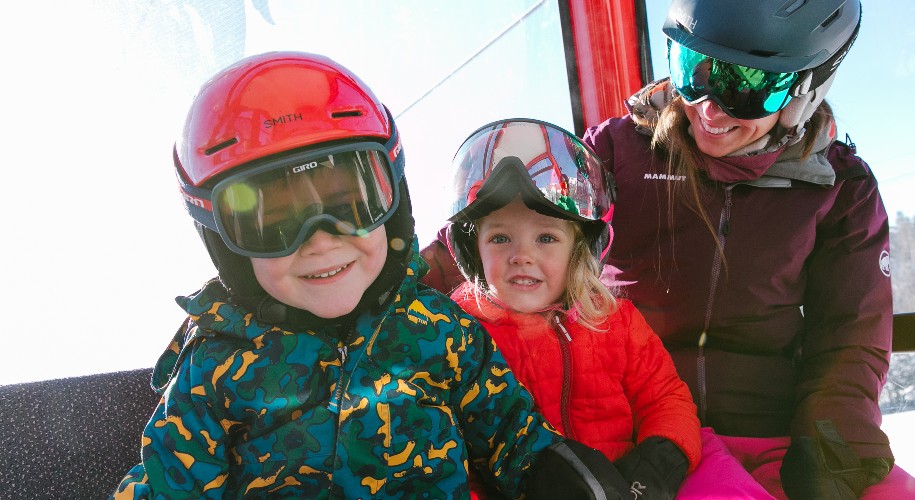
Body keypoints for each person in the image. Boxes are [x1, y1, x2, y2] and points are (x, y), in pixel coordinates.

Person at [420, 1, 915, 498]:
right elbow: (510, 218)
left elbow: (851, 335)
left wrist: (833, 443)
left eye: (747, 86)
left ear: (805, 89)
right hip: (636, 426)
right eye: (694, 68)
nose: (708, 106)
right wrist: (387, 283)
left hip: (772, 429)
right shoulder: (620, 150)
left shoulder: (837, 188)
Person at [112, 51, 632, 499]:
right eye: (274, 225)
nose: (319, 240)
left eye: (351, 204)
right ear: (224, 245)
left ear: (394, 202)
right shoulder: (216, 364)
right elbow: (167, 483)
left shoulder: (439, 329)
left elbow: (506, 432)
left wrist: (552, 469)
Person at [439, 118, 781, 500]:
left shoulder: (613, 320)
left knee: (719, 478)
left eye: (546, 238)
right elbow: (450, 450)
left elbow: (665, 397)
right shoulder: (461, 341)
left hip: (634, 482)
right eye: (500, 237)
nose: (522, 256)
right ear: (474, 251)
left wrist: (658, 461)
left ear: (578, 250)